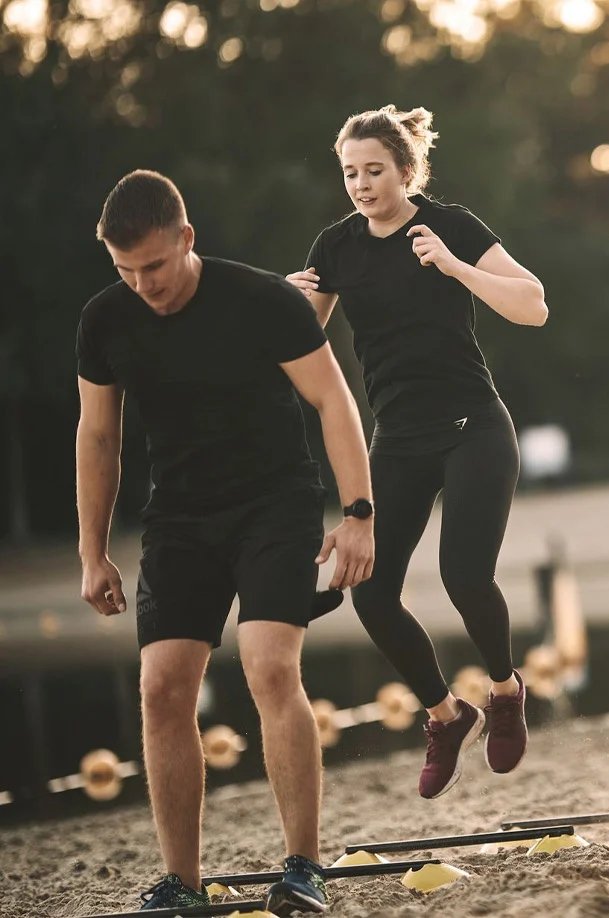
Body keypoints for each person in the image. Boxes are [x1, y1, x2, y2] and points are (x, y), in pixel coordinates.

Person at [77, 170, 375, 914]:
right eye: (125, 270)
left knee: (271, 669)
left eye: (154, 265)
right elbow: (98, 436)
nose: (143, 285)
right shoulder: (104, 320)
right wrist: (92, 550)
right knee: (161, 688)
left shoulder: (263, 300)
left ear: (186, 238)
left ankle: (302, 867)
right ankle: (182, 881)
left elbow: (332, 399)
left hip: (274, 505)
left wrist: (360, 512)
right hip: (180, 520)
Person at [286, 106, 548, 799]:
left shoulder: (450, 226)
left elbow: (533, 304)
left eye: (375, 171)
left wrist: (456, 267)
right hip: (397, 442)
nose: (362, 185)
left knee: (464, 576)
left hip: (475, 430)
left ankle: (504, 690)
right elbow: (299, 349)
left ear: (406, 171)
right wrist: (285, 305)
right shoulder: (336, 246)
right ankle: (444, 714)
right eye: (350, 173)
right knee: (371, 592)